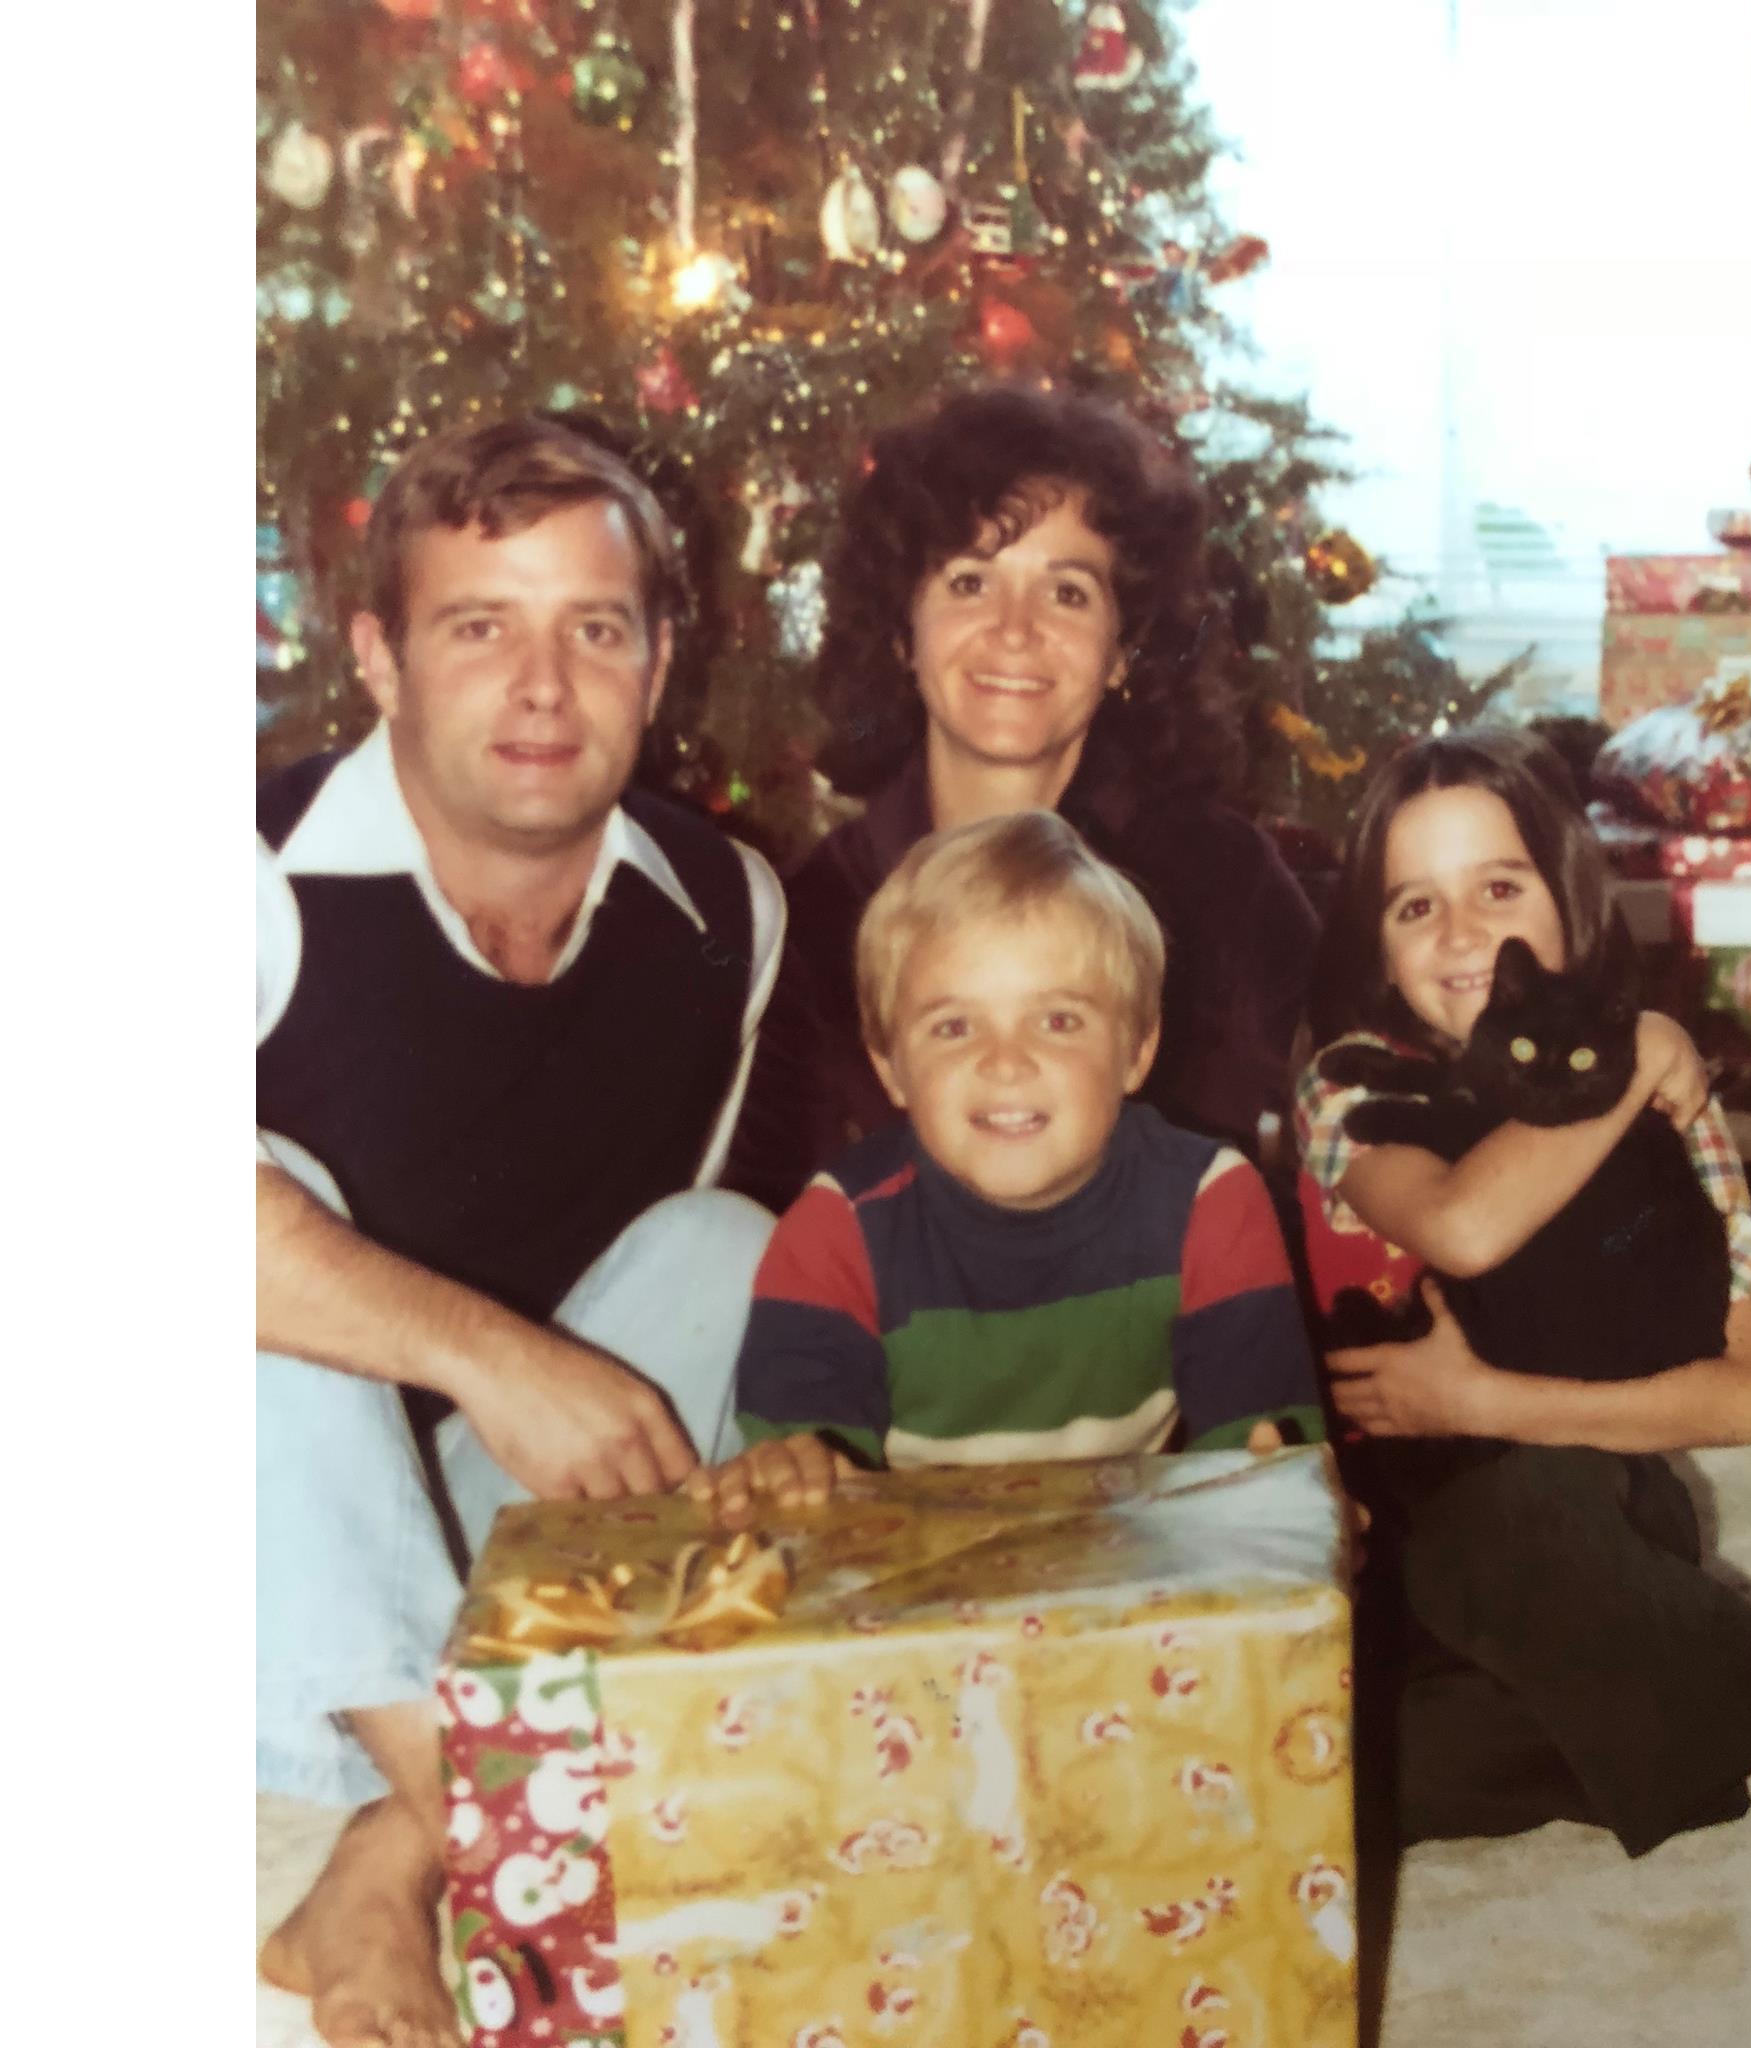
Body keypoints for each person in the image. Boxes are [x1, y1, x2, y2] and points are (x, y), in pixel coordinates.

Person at [255, 416, 785, 2048]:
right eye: (481, 626)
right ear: (378, 659)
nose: (543, 686)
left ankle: (399, 1842)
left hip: (487, 1573)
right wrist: (496, 1356)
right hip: (230, 1555)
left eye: (594, 628)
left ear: (659, 656)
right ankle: (500, 1816)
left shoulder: (726, 911)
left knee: (726, 1242)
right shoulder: (238, 867)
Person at [1294, 728, 1751, 1859]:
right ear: (1374, 941)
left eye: (1498, 887)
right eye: (1413, 904)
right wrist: (1644, 1051)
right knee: (1343, 1750)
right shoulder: (1350, 1086)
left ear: (1568, 904)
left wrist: (1479, 1402)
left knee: (1527, 1520)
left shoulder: (1672, 1104)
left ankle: (1672, 1698)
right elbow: (1464, 1225)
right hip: (1393, 1536)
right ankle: (1717, 1697)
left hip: (1585, 1502)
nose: (1460, 933)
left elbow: (1743, 1400)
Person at [724, 383, 1319, 1214]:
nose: (1014, 628)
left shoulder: (1223, 878)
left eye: (1068, 591)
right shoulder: (810, 923)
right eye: (970, 582)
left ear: (1122, 651)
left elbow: (1346, 1123)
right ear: (904, 630)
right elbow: (766, 1232)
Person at [694, 811, 1324, 1529]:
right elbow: (803, 1481)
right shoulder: (837, 1229)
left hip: (1130, 1573)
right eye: (953, 1026)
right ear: (891, 1068)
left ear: (1138, 1048)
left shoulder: (1211, 1202)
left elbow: (1257, 1460)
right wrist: (791, 1471)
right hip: (900, 1575)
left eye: (1058, 1020)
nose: (1004, 1061)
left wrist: (1269, 1487)